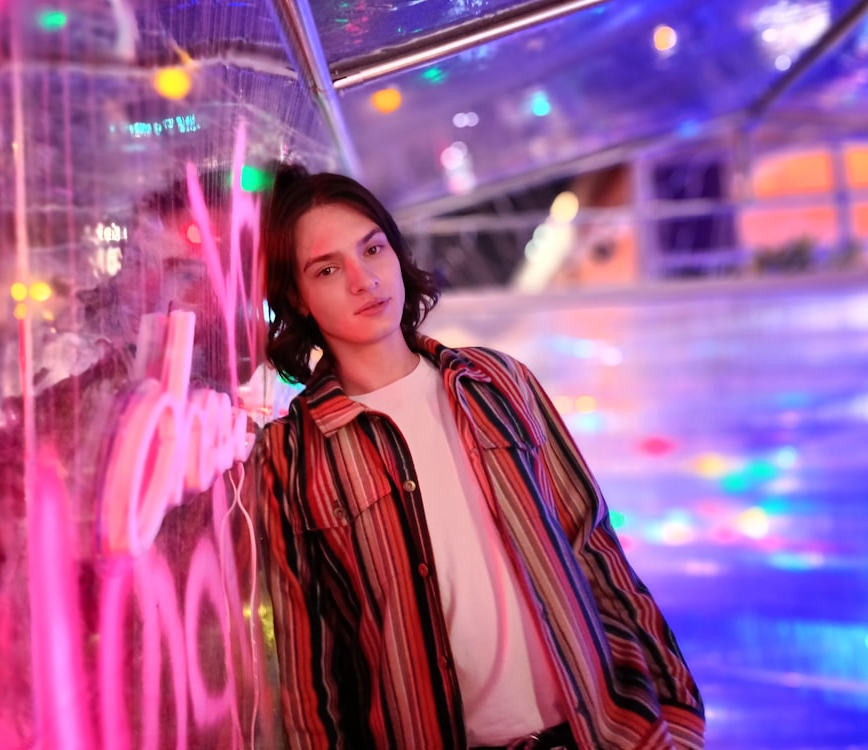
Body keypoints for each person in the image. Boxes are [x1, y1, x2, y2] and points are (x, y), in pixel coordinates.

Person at [256, 164, 705, 750]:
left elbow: (592, 545)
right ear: (298, 296)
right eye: (328, 268)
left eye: (373, 249)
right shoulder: (293, 452)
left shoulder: (498, 380)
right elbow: (310, 657)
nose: (364, 280)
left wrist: (675, 707)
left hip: (597, 731)